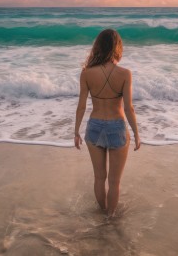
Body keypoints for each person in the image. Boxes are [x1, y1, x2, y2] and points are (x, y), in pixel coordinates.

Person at [74, 28, 141, 218]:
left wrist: (76, 132)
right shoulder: (125, 74)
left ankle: (102, 212)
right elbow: (129, 108)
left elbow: (81, 106)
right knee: (114, 182)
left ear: (98, 47)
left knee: (99, 178)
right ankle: (110, 217)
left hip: (94, 127)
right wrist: (136, 133)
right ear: (117, 47)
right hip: (117, 127)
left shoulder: (86, 73)